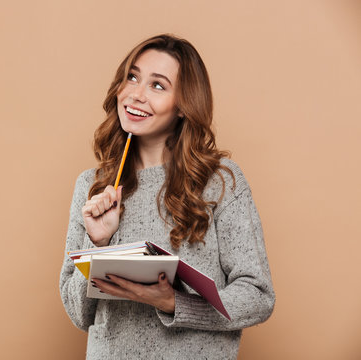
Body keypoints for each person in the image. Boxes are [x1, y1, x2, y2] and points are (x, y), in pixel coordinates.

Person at [59, 34, 275, 360]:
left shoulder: (219, 181)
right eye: (132, 77)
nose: (135, 94)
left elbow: (258, 296)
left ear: (183, 107)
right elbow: (79, 315)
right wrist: (97, 242)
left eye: (157, 86)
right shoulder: (92, 184)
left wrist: (173, 303)